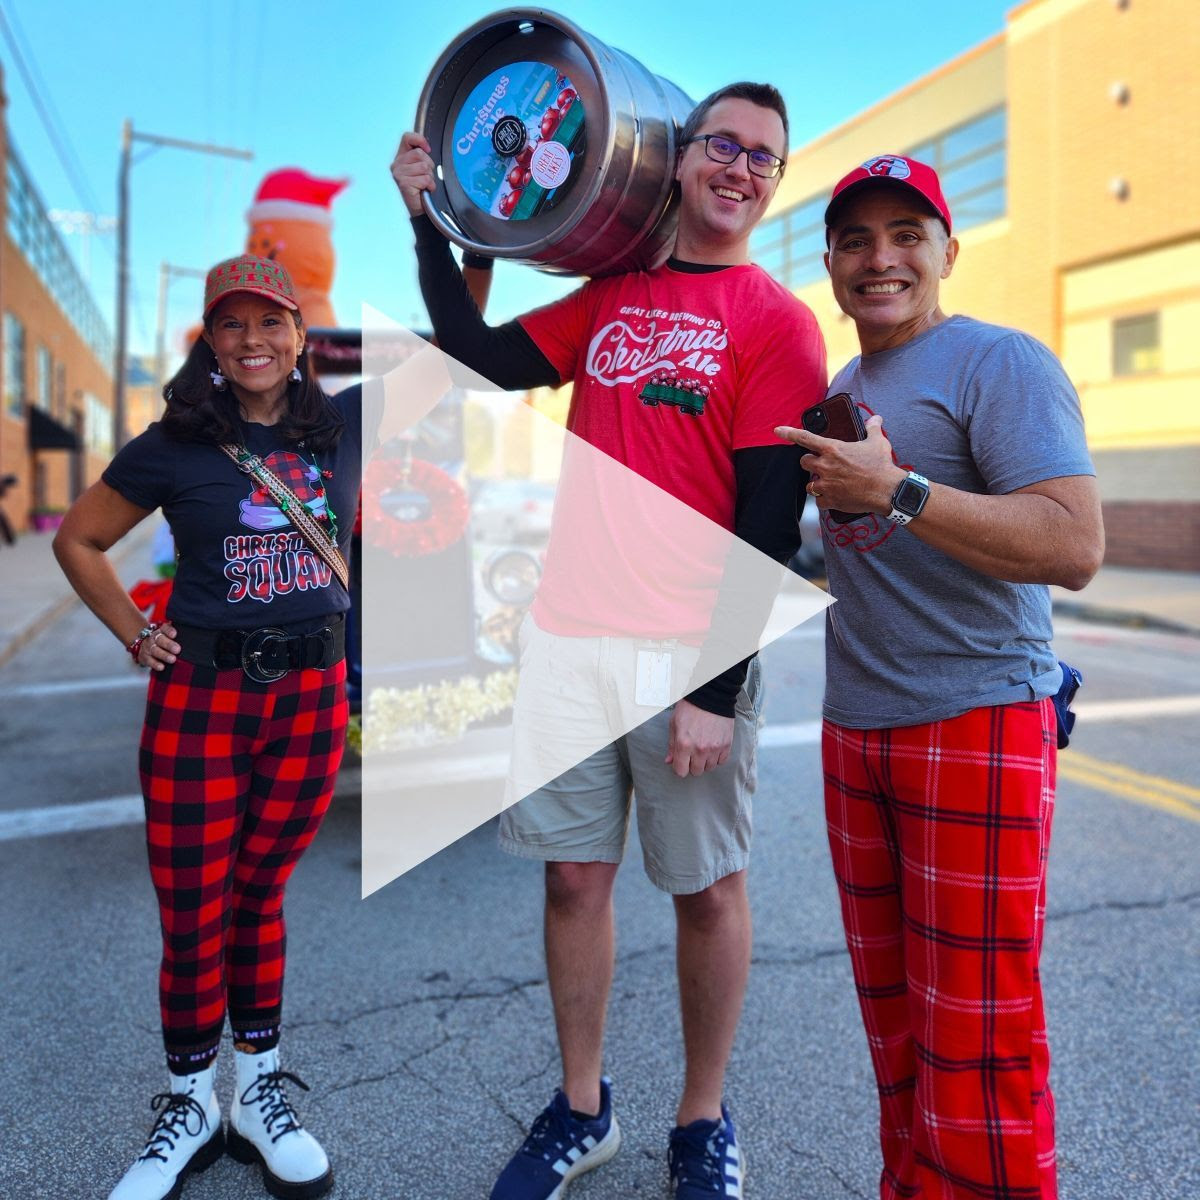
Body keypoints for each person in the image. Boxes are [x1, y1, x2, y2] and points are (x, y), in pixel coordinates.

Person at [392, 81, 826, 1199]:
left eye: (764, 158)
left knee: (707, 891)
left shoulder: (778, 321)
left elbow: (769, 517)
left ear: (773, 184)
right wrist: (427, 219)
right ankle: (583, 1109)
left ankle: (701, 1118)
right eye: (722, 146)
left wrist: (716, 692)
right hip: (570, 642)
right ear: (679, 160)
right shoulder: (612, 295)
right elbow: (472, 357)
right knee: (575, 885)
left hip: (686, 654)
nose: (741, 168)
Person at [776, 156, 1104, 1200]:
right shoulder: (835, 394)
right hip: (855, 724)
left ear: (948, 252)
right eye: (858, 240)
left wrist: (901, 490)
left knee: (979, 1030)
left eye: (906, 235)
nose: (882, 259)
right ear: (830, 264)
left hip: (977, 717)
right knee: (897, 1019)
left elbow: (1074, 544)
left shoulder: (999, 364)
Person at [53, 255, 377, 1200]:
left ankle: (260, 1094)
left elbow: (455, 341)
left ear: (299, 334)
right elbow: (79, 538)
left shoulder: (341, 426)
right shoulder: (175, 444)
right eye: (231, 325)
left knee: (261, 896)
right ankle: (191, 1103)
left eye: (270, 321)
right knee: (193, 909)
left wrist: (445, 221)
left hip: (312, 696)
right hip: (200, 695)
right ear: (211, 340)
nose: (253, 341)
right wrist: (133, 631)